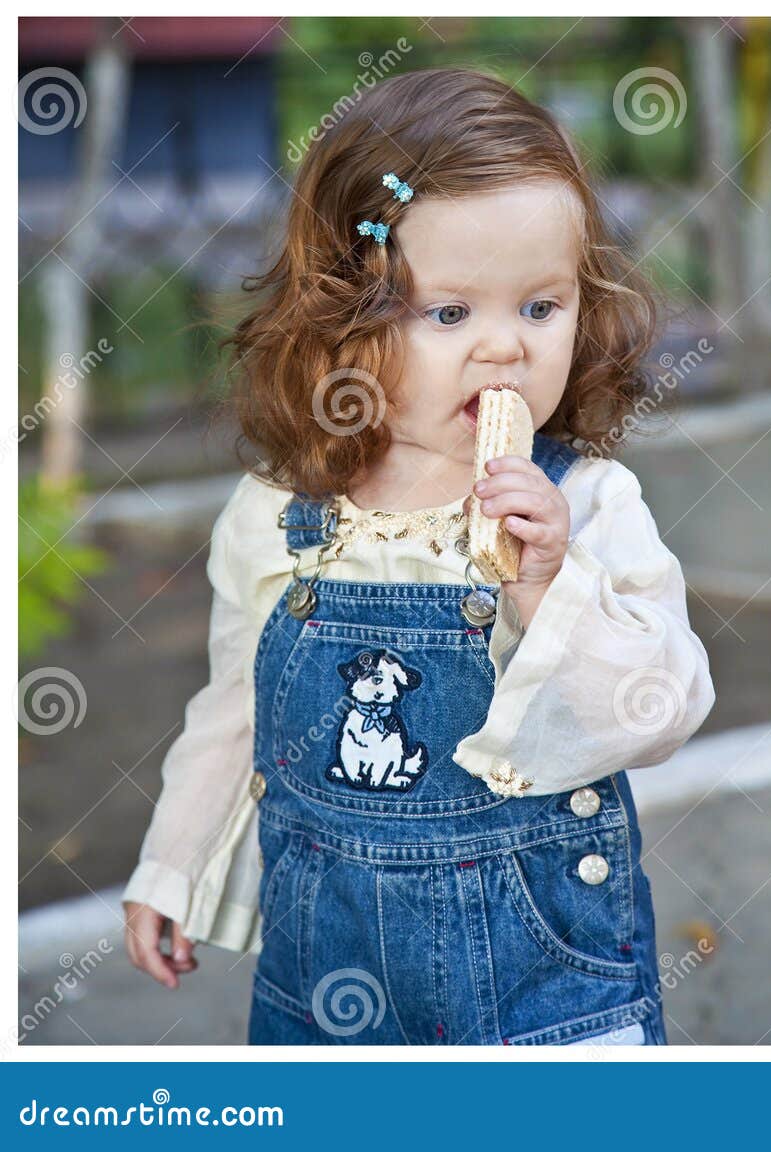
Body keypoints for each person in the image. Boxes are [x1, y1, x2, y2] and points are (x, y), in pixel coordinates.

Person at [122, 67, 713, 1046]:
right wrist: (174, 867)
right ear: (340, 318)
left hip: (544, 993)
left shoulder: (587, 505)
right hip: (326, 990)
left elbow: (660, 714)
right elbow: (237, 711)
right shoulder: (280, 515)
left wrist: (547, 586)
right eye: (449, 314)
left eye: (540, 306)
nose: (504, 350)